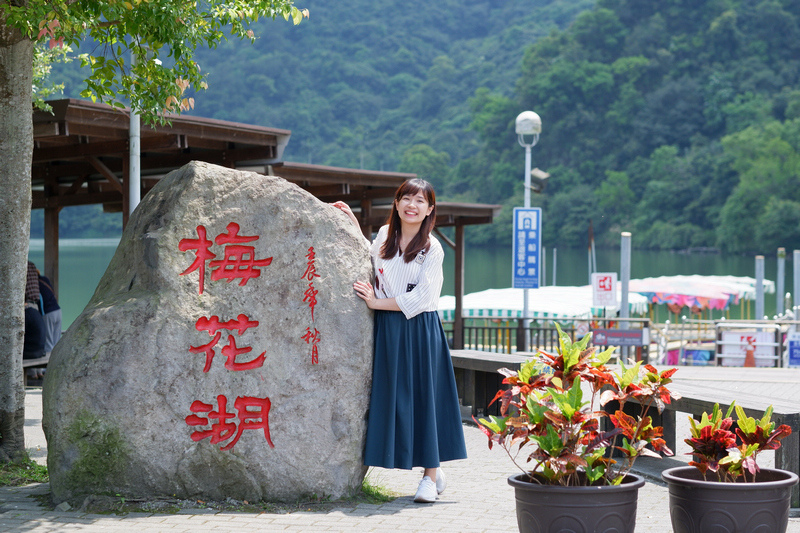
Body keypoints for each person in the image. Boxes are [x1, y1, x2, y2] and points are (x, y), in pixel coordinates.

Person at [332, 179, 467, 504]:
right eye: (406, 198)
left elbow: (423, 297)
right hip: (389, 330)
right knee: (396, 400)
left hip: (420, 330)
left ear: (430, 209)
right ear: (396, 203)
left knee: (424, 399)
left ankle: (429, 477)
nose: (412, 205)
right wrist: (351, 219)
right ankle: (432, 470)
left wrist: (377, 303)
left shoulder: (431, 248)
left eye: (420, 201)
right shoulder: (383, 236)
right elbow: (370, 258)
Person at [24, 261, 47, 379]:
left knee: (28, 334)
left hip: (28, 303)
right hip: (35, 303)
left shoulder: (20, 265)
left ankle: (32, 375)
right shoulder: (32, 265)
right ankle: (38, 373)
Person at [38, 269, 62, 354]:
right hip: (57, 310)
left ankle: (48, 364)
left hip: (47, 312)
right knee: (56, 341)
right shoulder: (45, 279)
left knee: (48, 342)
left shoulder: (35, 284)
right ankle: (57, 360)